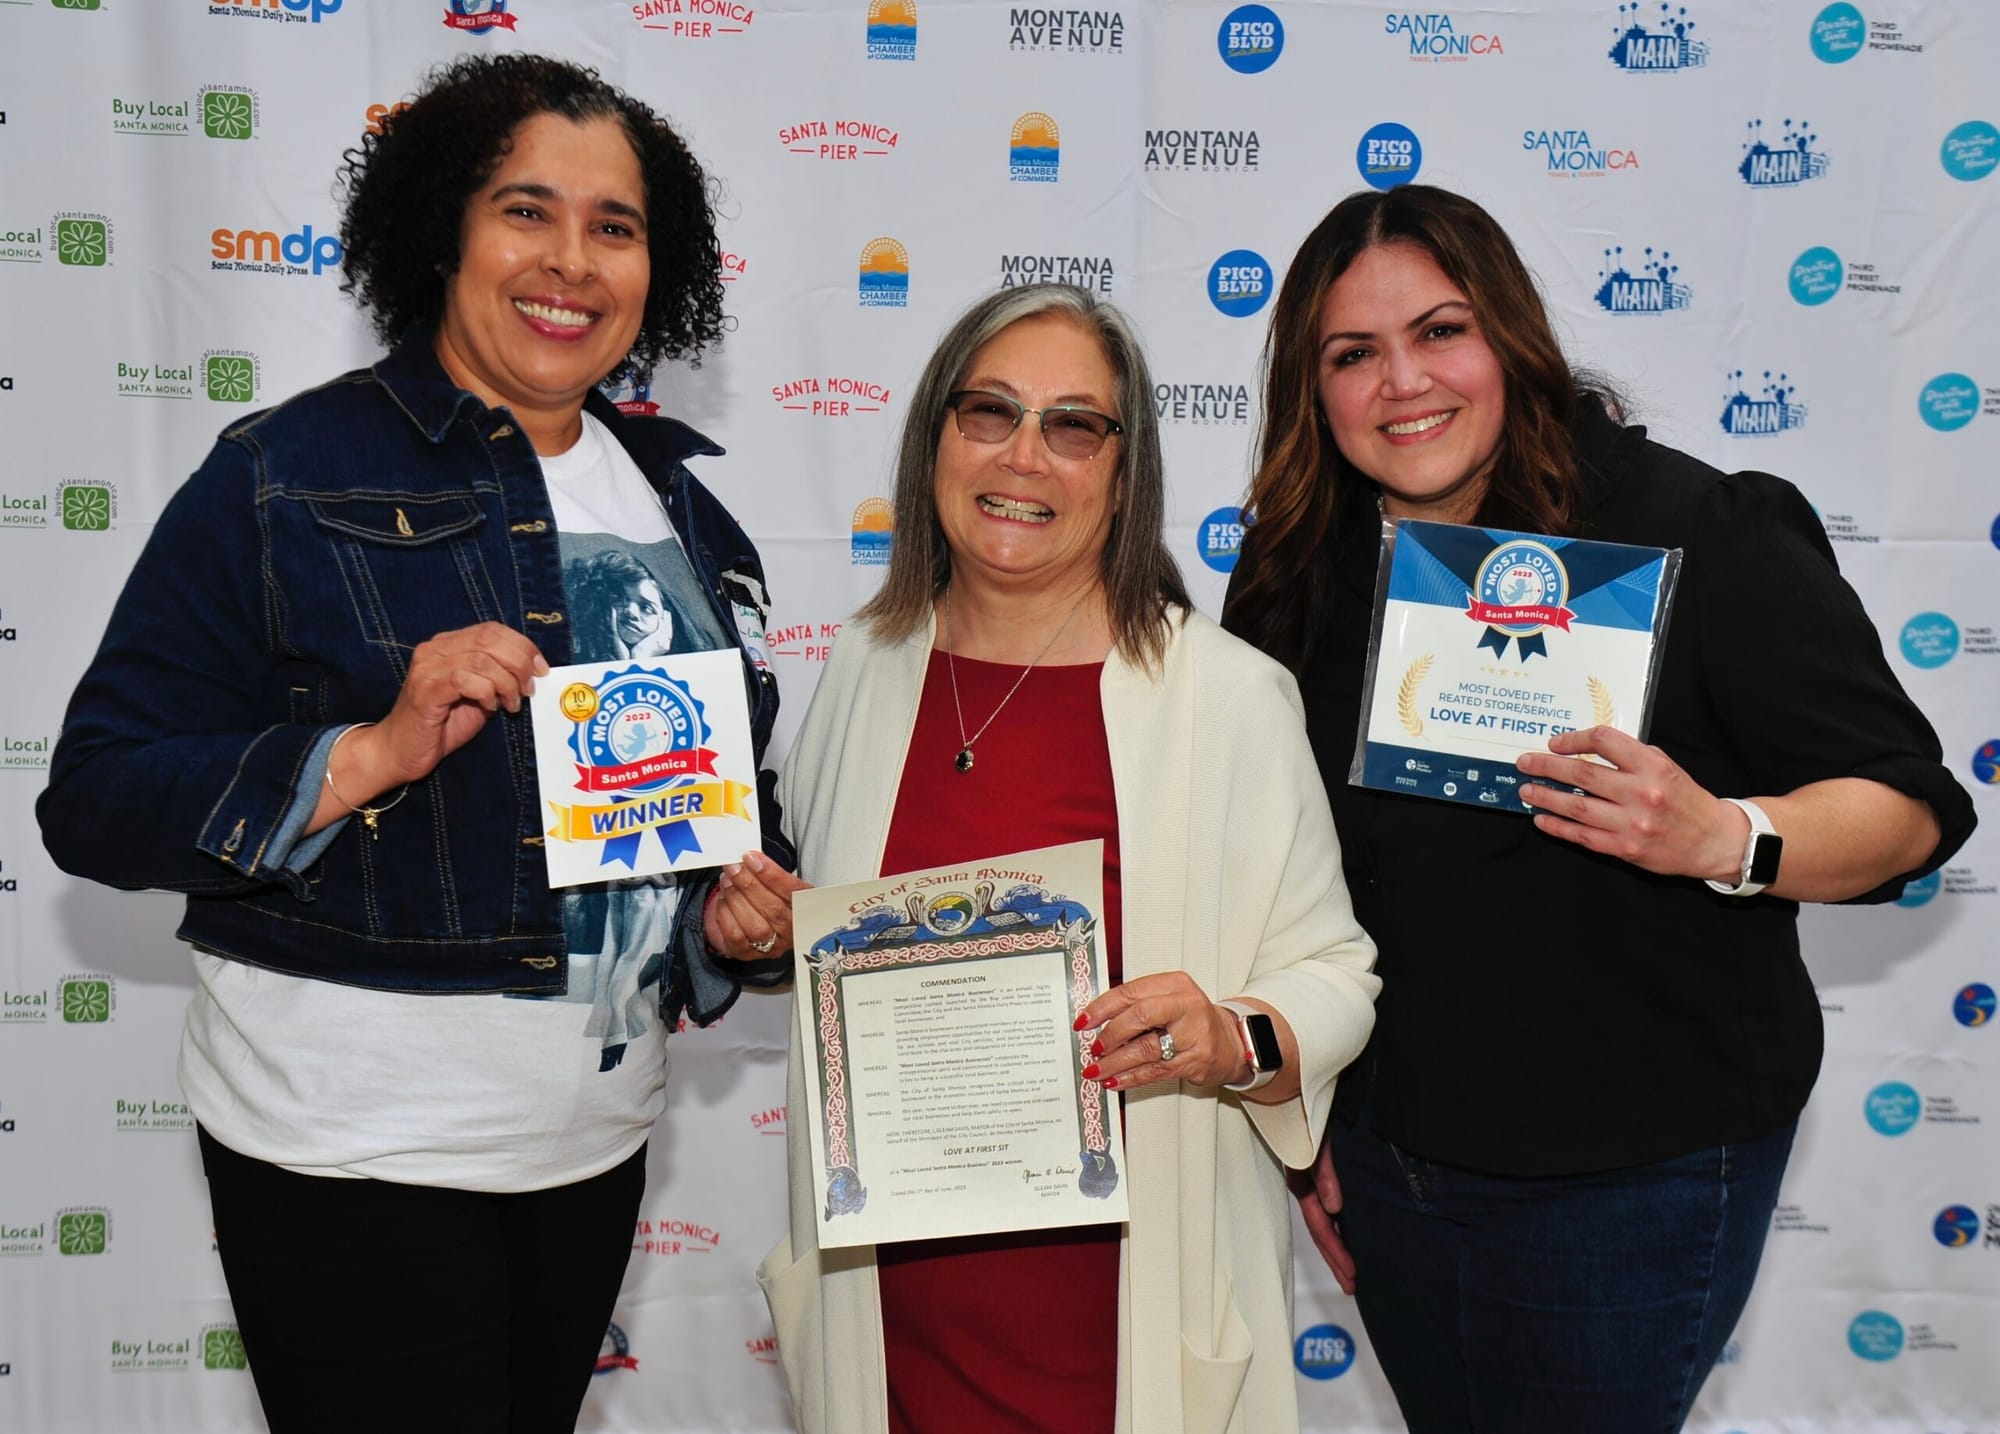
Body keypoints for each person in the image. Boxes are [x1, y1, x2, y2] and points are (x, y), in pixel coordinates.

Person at [37, 54, 792, 1432]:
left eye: (615, 227)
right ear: (442, 230)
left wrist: (736, 918)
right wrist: (371, 750)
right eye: (526, 210)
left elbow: (712, 812)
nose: (572, 262)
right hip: (352, 1156)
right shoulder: (283, 473)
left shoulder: (683, 508)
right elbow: (94, 797)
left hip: (591, 1149)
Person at [1222, 184, 1977, 1433]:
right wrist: (1297, 1121)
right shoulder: (1294, 569)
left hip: (1633, 1176)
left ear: (1509, 335)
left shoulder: (1692, 529)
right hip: (1388, 1158)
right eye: (1351, 354)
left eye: (1440, 331)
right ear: (1312, 389)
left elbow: (1905, 808)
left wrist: (1723, 837)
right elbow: (1276, 868)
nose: (1402, 381)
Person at [717, 282, 1381, 1434]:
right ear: (934, 440)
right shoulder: (868, 666)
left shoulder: (1226, 697)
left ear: (1125, 475)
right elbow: (823, 936)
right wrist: (767, 936)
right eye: (989, 412)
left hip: (1123, 1325)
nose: (1023, 456)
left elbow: (1334, 974)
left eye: (1074, 426)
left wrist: (1228, 1035)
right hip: (894, 1326)